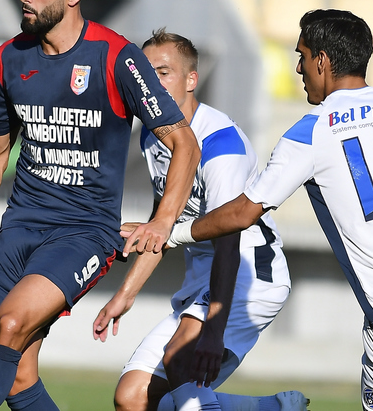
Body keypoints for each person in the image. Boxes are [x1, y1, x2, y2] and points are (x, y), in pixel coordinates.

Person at [125, 9, 373, 411]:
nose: (298, 68)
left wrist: (171, 231)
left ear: (322, 61)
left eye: (302, 56)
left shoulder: (313, 130)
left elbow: (241, 214)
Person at [0, 0, 200, 411]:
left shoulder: (116, 56)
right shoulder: (8, 58)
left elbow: (183, 142)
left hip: (82, 232)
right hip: (20, 227)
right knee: (18, 375)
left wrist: (164, 220)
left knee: (6, 328)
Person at [93, 30, 307, 411]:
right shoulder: (153, 139)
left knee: (181, 361)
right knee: (132, 399)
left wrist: (214, 328)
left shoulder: (221, 143)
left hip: (248, 274)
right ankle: (266, 409)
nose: (151, 84)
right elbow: (163, 223)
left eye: (163, 73)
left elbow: (230, 238)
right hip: (204, 279)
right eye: (145, 74)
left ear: (192, 80)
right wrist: (123, 296)